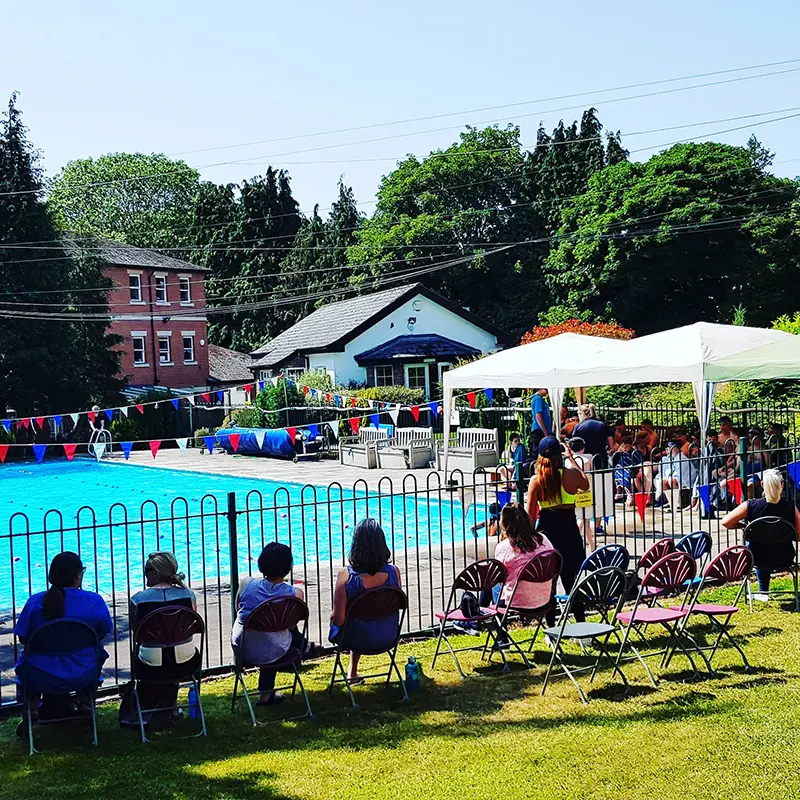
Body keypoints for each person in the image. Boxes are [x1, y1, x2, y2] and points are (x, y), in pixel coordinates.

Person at [14, 552, 112, 736]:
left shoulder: (35, 602)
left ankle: (32, 708)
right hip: (83, 672)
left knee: (28, 657)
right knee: (94, 652)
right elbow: (103, 632)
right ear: (78, 575)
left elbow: (23, 639)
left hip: (39, 673)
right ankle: (84, 703)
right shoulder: (93, 601)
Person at [120, 552, 199, 729]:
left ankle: (158, 708)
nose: (145, 573)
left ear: (155, 573)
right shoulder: (188, 595)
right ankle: (171, 707)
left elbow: (137, 633)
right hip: (186, 662)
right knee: (174, 648)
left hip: (150, 666)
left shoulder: (138, 599)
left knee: (150, 651)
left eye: (146, 570)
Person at [231, 542, 307, 705]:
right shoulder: (294, 594)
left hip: (243, 647)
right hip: (277, 650)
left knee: (267, 634)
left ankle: (266, 695)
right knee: (277, 635)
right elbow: (293, 623)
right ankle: (306, 648)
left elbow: (238, 608)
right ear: (288, 566)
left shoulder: (246, 584)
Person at [329, 519, 402, 684]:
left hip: (356, 638)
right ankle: (352, 672)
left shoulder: (345, 576)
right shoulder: (394, 572)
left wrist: (332, 616)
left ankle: (352, 673)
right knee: (368, 616)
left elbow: (339, 620)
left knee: (352, 620)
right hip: (388, 635)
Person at [526, 436, 589, 625]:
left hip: (547, 532)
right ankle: (582, 626)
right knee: (572, 582)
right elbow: (585, 484)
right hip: (569, 531)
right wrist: (571, 459)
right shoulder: (572, 475)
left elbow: (530, 515)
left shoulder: (537, 480)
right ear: (559, 455)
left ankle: (551, 628)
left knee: (549, 584)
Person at [722, 469, 800, 601]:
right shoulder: (791, 508)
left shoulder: (750, 505)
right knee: (768, 545)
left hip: (757, 558)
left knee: (756, 543)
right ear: (782, 484)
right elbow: (799, 534)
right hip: (784, 556)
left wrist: (745, 527)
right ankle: (764, 591)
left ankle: (763, 590)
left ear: (762, 484)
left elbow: (725, 522)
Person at [493, 503, 554, 611]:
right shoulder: (543, 539)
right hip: (544, 599)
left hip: (516, 601)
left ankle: (479, 617)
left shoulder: (505, 547)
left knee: (491, 584)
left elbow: (498, 576)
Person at [568, 436, 596, 550]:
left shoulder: (568, 461)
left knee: (584, 519)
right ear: (583, 448)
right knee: (584, 519)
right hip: (586, 491)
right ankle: (575, 543)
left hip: (573, 491)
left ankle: (592, 546)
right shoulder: (588, 458)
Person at [659, 441, 697, 511]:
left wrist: (671, 476)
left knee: (672, 481)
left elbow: (681, 474)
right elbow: (667, 471)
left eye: (670, 448)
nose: (669, 451)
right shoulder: (671, 458)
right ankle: (672, 503)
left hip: (687, 480)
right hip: (678, 478)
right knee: (663, 481)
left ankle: (678, 504)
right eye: (667, 449)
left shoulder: (681, 458)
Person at [573, 403, 614, 468]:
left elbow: (574, 442)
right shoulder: (602, 424)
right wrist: (610, 449)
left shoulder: (578, 426)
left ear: (581, 414)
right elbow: (610, 440)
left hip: (585, 458)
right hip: (600, 456)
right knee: (602, 476)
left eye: (578, 414)